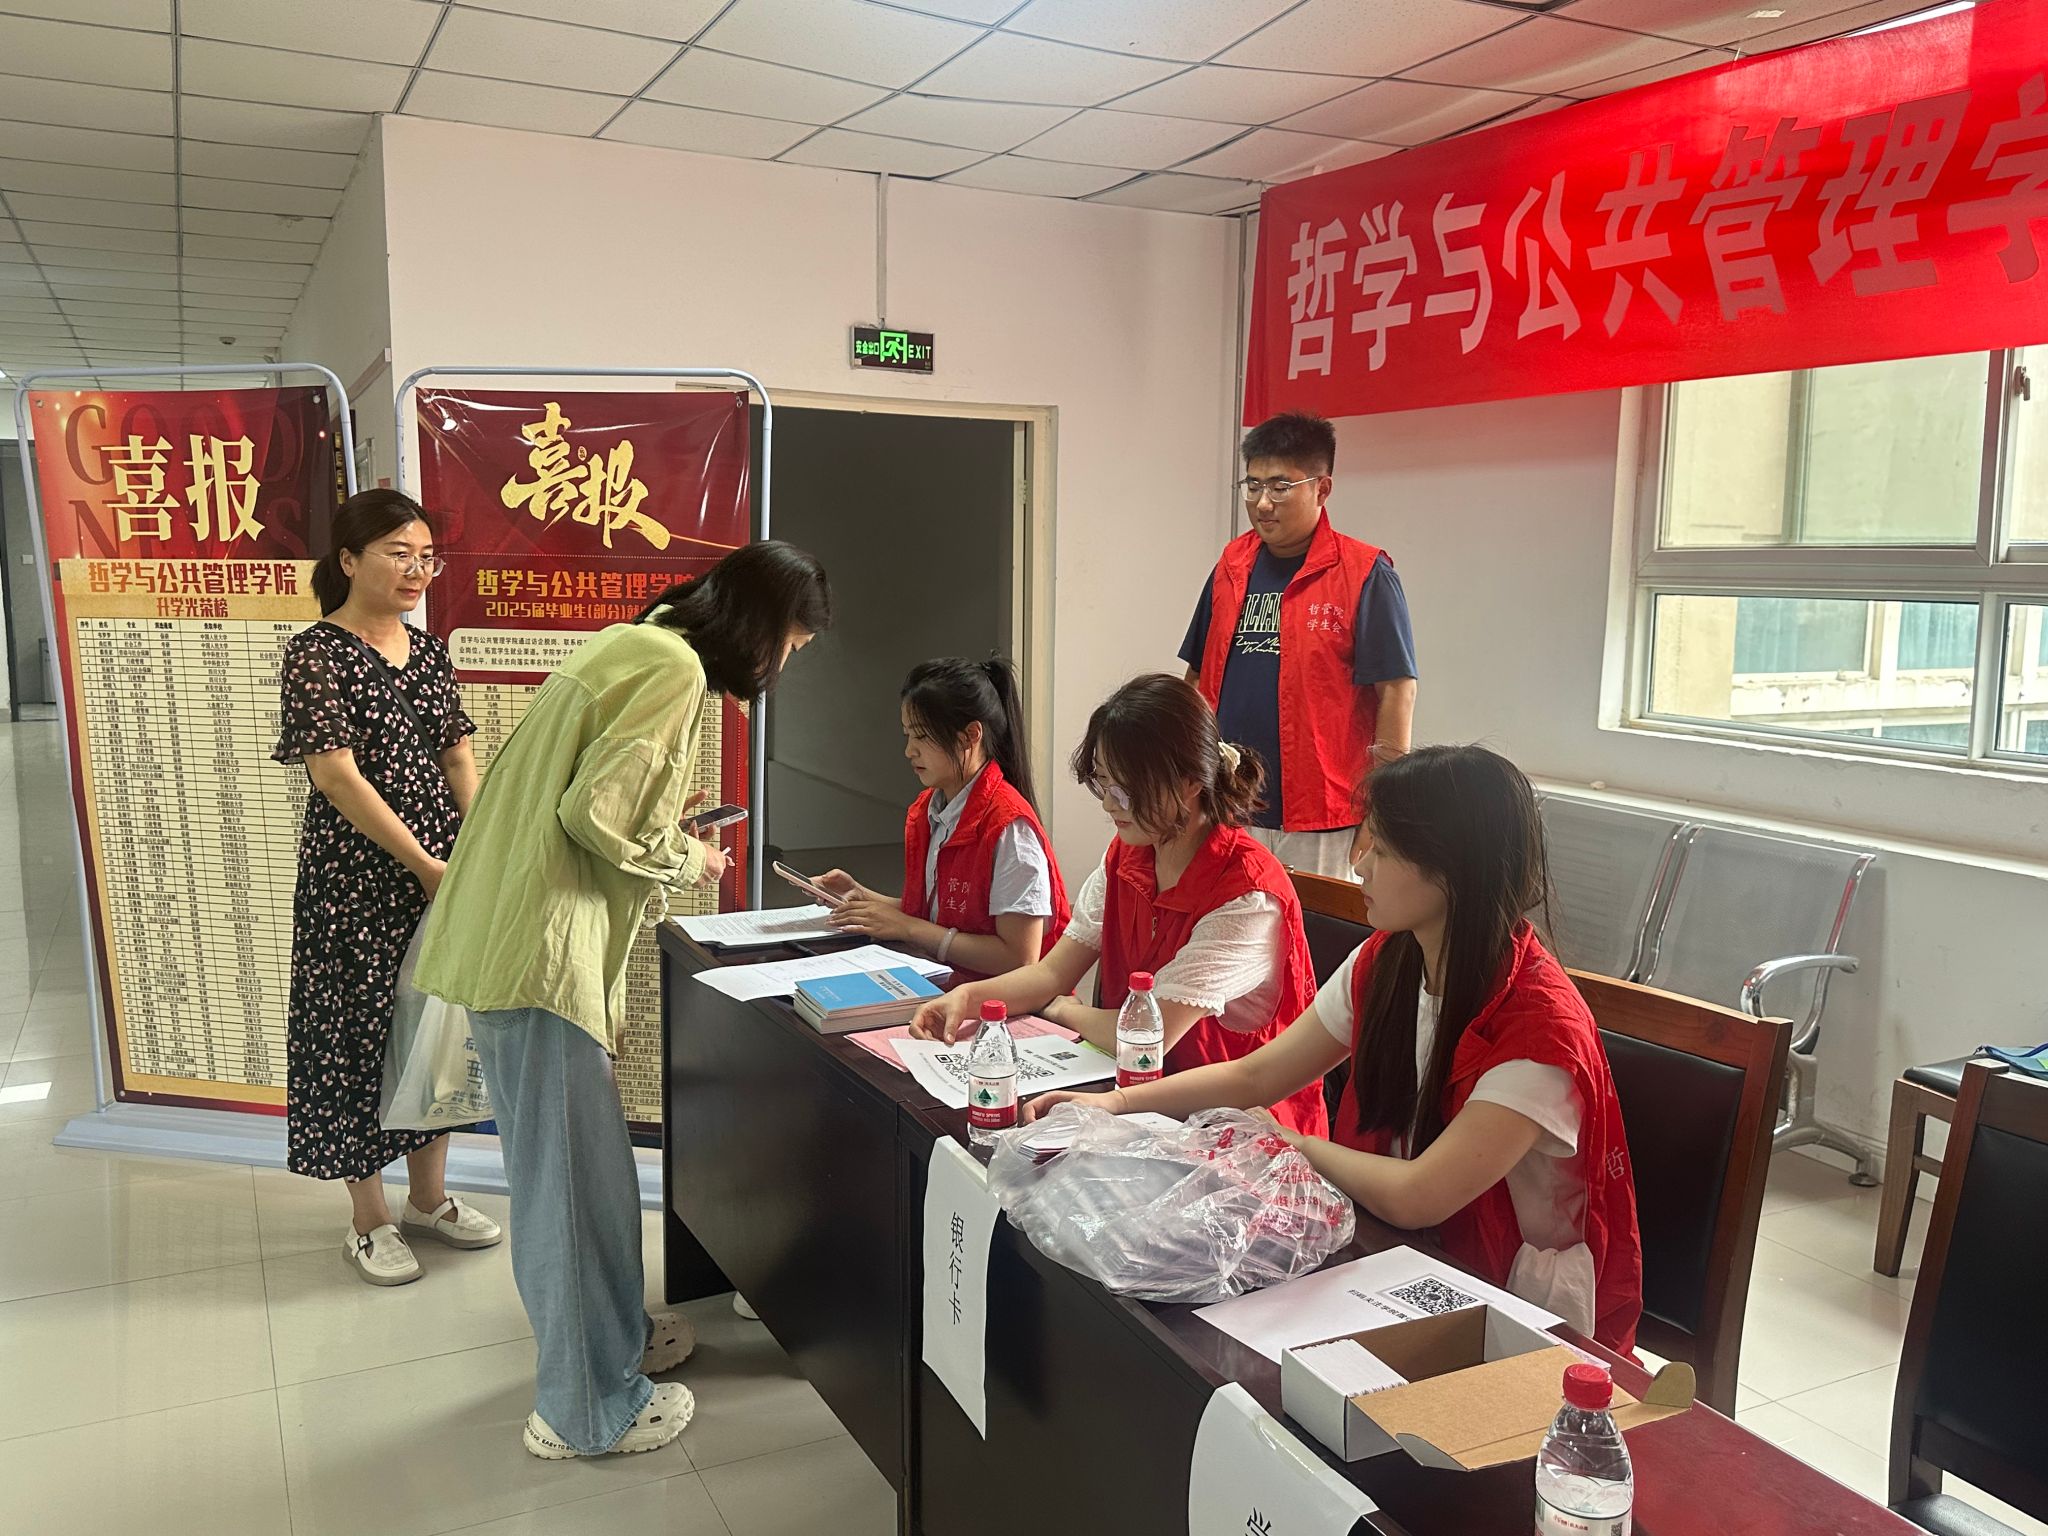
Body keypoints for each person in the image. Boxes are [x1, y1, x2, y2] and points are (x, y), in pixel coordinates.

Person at [413, 541, 832, 1460]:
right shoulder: (673, 667)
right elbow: (594, 816)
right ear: (763, 627)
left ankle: (617, 1343)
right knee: (568, 1189)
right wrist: (692, 856)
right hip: (539, 955)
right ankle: (582, 1411)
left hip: (521, 944)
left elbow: (588, 800)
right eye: (792, 648)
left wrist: (662, 827)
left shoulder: (634, 643)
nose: (783, 667)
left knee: (589, 1173)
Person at [1028, 746, 1643, 1353]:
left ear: (1452, 869)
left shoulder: (1539, 1029)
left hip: (1512, 1301)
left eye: (1382, 848)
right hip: (1402, 1250)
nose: (1361, 864)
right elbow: (1256, 1077)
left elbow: (1419, 1194)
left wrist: (1297, 1144)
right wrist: (1110, 1107)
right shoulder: (1390, 959)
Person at [910, 674, 1328, 1137]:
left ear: (1189, 782)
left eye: (1124, 789)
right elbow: (1051, 974)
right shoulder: (1128, 856)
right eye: (1103, 784)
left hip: (1239, 1131)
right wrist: (967, 1000)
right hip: (1139, 1105)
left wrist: (1060, 1010)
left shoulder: (1248, 895)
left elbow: (1147, 1039)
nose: (1109, 805)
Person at [273, 489, 501, 1289]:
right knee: (355, 1036)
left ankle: (428, 1200)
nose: (417, 570)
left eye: (426, 556)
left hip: (441, 872)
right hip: (356, 880)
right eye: (398, 553)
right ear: (348, 560)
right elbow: (336, 776)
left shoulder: (428, 651)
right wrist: (425, 866)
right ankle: (368, 1218)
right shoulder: (316, 653)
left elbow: (458, 756)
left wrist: (473, 853)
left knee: (432, 1029)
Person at [1180, 410, 1417, 880]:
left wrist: (1383, 807)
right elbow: (1196, 676)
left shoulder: (1364, 573)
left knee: (1316, 926)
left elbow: (1396, 691)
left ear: (1322, 489)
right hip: (1228, 803)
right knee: (1228, 923)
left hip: (1323, 817)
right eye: (1252, 485)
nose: (1262, 503)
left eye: (1280, 487)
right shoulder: (1231, 566)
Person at [820, 657, 1069, 977]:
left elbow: (1019, 959)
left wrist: (908, 928)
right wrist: (862, 897)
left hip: (996, 1001)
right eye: (908, 735)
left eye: (922, 736)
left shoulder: (1010, 828)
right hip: (944, 984)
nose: (909, 751)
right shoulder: (930, 809)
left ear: (970, 736)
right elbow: (940, 915)